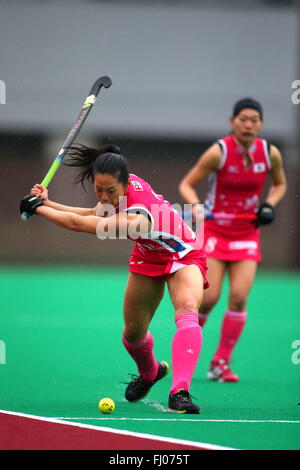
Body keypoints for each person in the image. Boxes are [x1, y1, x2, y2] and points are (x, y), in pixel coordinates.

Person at [19, 144, 209, 414]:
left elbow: (82, 224)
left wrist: (38, 210)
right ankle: (150, 373)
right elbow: (94, 213)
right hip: (148, 256)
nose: (104, 196)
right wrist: (47, 203)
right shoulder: (120, 188)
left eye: (110, 191)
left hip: (184, 255)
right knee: (132, 334)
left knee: (187, 308)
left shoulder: (139, 215)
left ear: (126, 183)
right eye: (99, 189)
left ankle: (180, 391)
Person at [179, 98, 287, 382]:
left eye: (254, 120)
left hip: (247, 232)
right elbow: (187, 184)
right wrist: (197, 208)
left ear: (261, 124)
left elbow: (280, 184)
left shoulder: (270, 153)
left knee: (238, 298)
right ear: (233, 121)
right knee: (209, 298)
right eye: (243, 119)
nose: (248, 124)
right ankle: (186, 352)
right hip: (215, 230)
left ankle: (220, 362)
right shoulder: (219, 152)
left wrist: (269, 205)